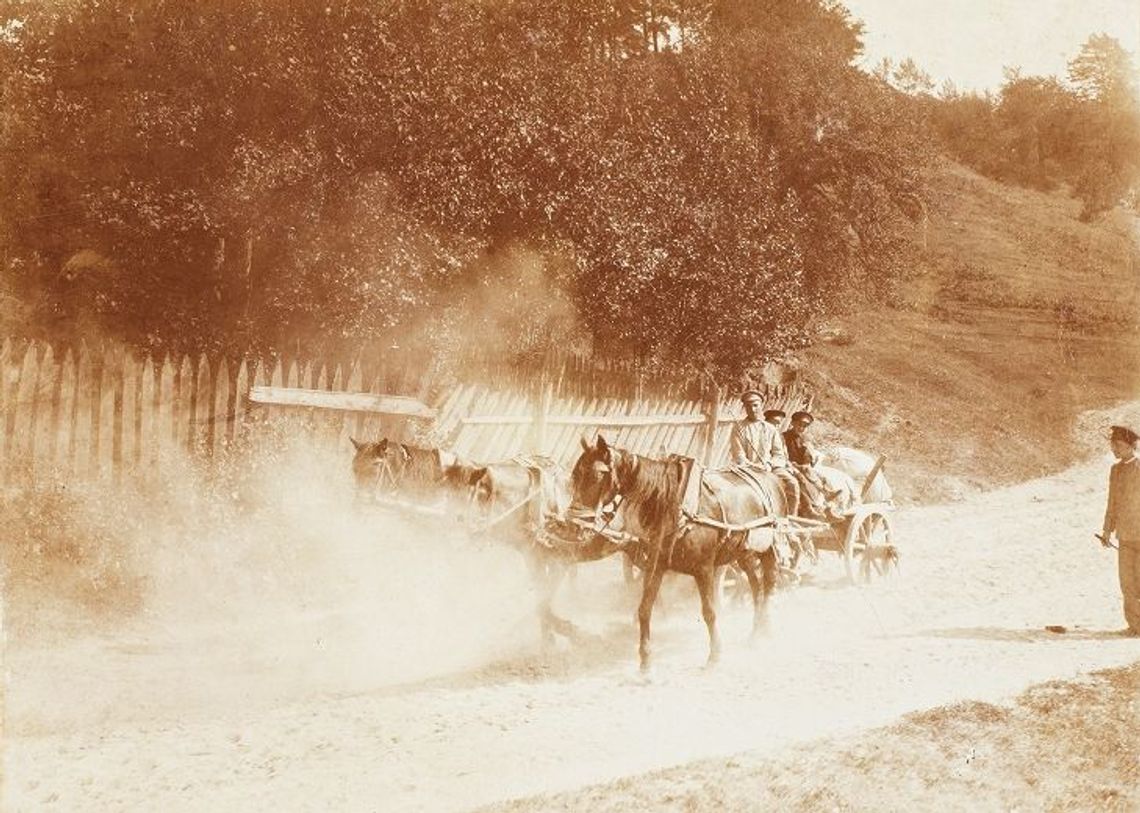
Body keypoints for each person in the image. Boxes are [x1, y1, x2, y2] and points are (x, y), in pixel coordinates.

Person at [729, 393, 800, 514]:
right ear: (745, 408)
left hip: (770, 468)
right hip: (747, 468)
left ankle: (790, 518)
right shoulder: (739, 428)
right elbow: (738, 454)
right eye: (748, 406)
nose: (752, 409)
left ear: (761, 406)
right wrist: (751, 465)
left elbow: (779, 455)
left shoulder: (770, 429)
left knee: (792, 483)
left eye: (755, 405)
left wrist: (768, 465)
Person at [1101, 423, 1140, 636]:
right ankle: (1135, 626)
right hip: (1125, 536)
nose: (1114, 449)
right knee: (1127, 583)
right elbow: (1112, 503)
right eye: (1112, 445)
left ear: (1131, 446)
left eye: (1118, 445)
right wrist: (1107, 530)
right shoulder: (1115, 470)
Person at [783, 411, 838, 519]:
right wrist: (795, 465)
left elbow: (807, 456)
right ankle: (811, 506)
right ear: (793, 423)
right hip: (787, 464)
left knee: (821, 476)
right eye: (799, 425)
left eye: (804, 426)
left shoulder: (804, 439)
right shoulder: (784, 437)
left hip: (800, 466)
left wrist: (806, 463)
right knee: (801, 480)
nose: (801, 428)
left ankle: (827, 500)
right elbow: (781, 453)